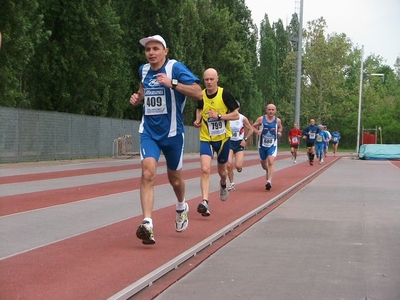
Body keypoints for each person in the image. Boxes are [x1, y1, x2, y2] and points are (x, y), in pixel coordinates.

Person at [130, 35, 203, 244]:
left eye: (155, 49)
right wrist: (138, 98)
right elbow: (143, 90)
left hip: (172, 134)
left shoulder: (175, 68)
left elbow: (198, 93)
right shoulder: (144, 70)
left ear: (165, 51)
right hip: (149, 132)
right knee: (147, 172)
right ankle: (147, 223)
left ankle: (181, 206)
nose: (151, 53)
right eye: (148, 50)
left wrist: (173, 83)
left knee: (175, 179)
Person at [193, 68, 239, 217]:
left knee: (222, 171)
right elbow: (199, 109)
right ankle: (205, 202)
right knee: (205, 169)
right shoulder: (201, 94)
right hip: (206, 137)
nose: (209, 82)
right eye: (206, 79)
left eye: (212, 79)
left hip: (223, 139)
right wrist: (198, 119)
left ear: (217, 79)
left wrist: (219, 116)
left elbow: (236, 115)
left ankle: (223, 184)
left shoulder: (224, 94)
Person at [252, 103, 283, 190]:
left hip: (272, 144)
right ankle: (267, 170)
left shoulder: (277, 120)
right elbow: (252, 127)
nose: (271, 111)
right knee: (263, 164)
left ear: (275, 111)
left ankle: (269, 181)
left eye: (272, 110)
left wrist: (279, 132)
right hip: (262, 145)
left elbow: (280, 127)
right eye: (269, 109)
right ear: (266, 110)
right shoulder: (261, 119)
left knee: (271, 161)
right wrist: (256, 131)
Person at [226, 103, 254, 191]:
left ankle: (239, 167)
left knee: (238, 165)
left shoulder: (242, 118)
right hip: (229, 142)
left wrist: (245, 139)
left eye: (235, 107)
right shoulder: (226, 117)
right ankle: (232, 183)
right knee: (229, 164)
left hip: (239, 143)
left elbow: (251, 129)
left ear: (238, 108)